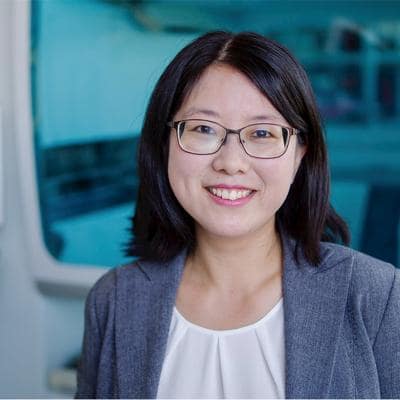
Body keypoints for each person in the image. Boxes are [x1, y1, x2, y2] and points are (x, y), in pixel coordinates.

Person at [75, 31, 400, 399]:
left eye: (262, 132)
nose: (231, 162)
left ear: (299, 154)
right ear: (164, 144)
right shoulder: (113, 300)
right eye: (203, 129)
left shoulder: (377, 295)